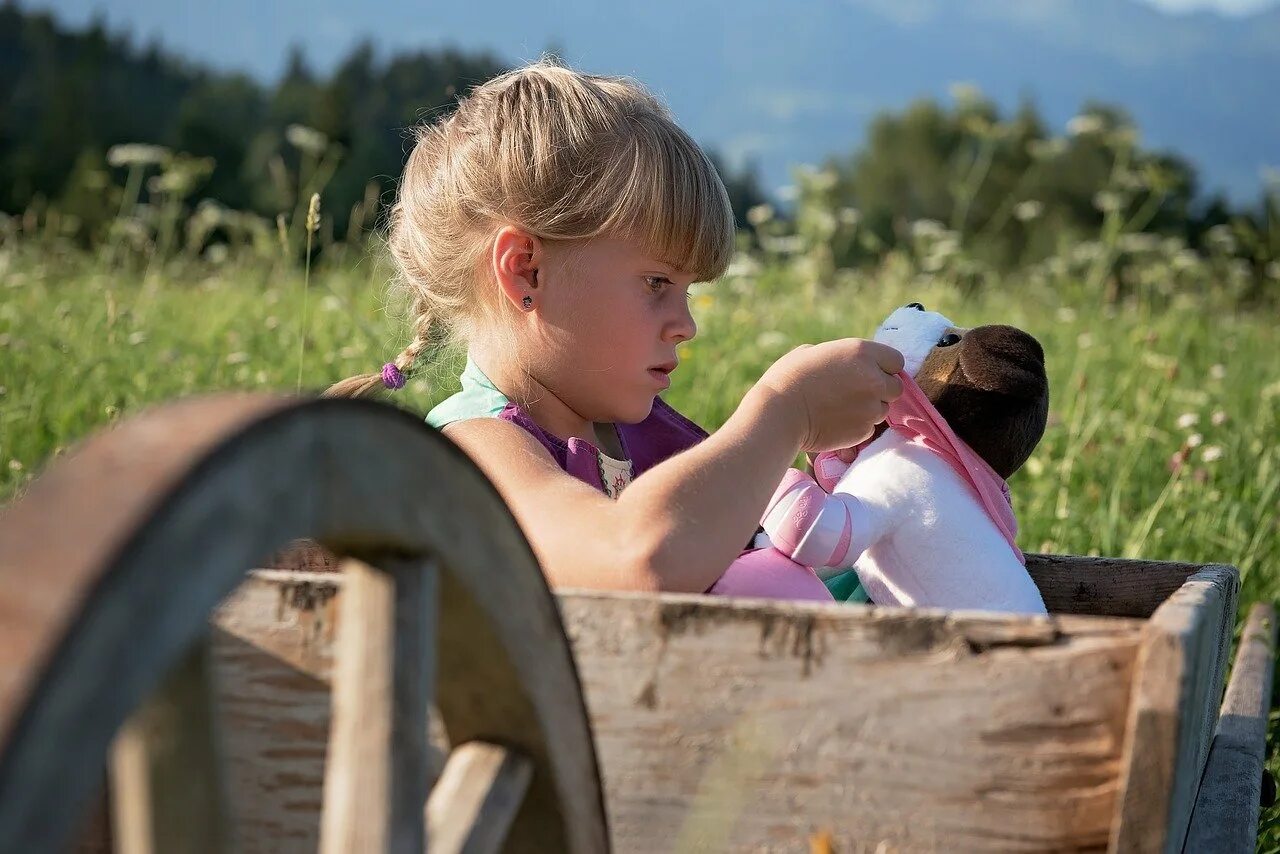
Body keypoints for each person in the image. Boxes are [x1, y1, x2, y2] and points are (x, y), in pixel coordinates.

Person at [326, 57, 903, 595]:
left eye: (688, 291)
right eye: (656, 283)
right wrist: (783, 412)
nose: (685, 326)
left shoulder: (641, 434)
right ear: (526, 270)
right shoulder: (476, 452)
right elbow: (637, 560)